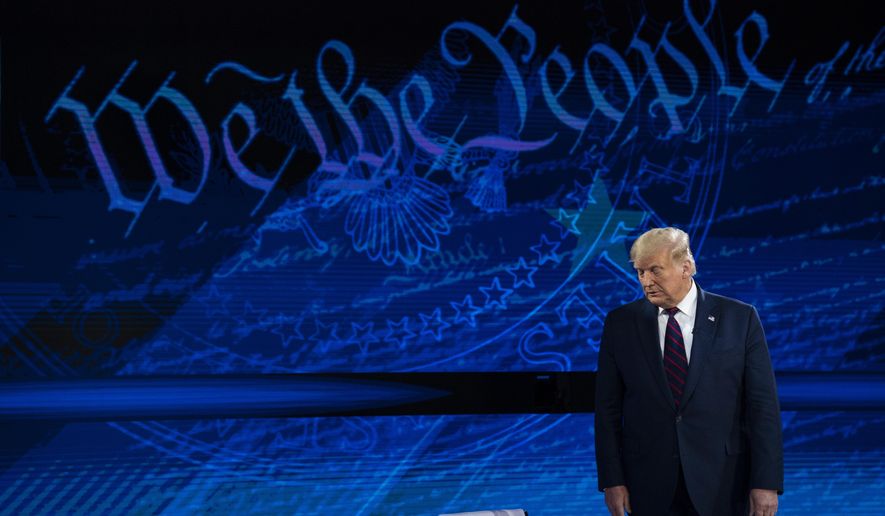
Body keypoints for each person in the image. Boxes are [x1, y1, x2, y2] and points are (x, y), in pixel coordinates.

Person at [594, 227, 783, 515]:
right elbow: (607, 410)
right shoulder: (620, 324)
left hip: (724, 484)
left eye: (655, 270)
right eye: (640, 272)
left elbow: (763, 407)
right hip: (648, 486)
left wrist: (766, 483)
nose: (646, 281)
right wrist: (612, 480)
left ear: (687, 266)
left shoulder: (739, 319)